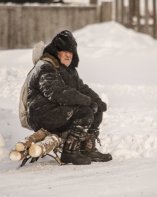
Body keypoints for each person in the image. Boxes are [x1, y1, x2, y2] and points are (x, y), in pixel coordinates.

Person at [26, 30, 112, 165]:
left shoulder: (69, 70)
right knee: (85, 112)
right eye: (65, 51)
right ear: (56, 51)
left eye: (71, 52)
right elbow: (58, 92)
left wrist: (96, 100)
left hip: (56, 110)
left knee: (96, 109)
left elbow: (82, 88)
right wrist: (87, 102)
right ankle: (69, 152)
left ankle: (87, 149)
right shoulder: (45, 66)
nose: (68, 55)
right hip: (40, 114)